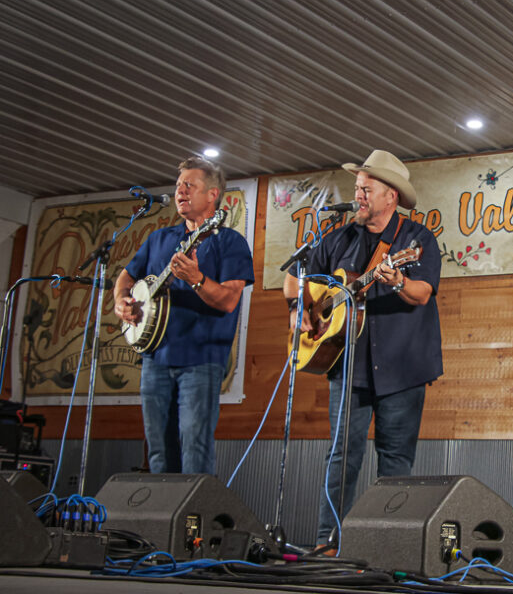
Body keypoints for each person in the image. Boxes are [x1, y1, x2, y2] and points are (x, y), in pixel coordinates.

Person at [284, 149, 442, 547]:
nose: (359, 195)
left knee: (395, 461)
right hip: (348, 364)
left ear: (391, 196)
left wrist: (397, 282)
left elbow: (422, 293)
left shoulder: (416, 240)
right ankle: (327, 540)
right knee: (341, 456)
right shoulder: (339, 238)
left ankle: (392, 544)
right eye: (357, 188)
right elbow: (293, 279)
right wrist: (298, 308)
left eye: (366, 189)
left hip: (403, 365)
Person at [114, 156, 254, 475]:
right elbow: (125, 277)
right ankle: (160, 521)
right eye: (178, 185)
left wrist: (197, 280)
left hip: (201, 360)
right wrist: (122, 300)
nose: (180, 191)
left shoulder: (230, 242)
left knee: (194, 445)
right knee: (158, 449)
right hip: (155, 358)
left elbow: (230, 300)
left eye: (189, 185)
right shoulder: (159, 239)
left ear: (212, 195)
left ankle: (194, 521)